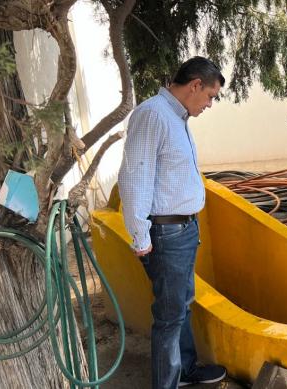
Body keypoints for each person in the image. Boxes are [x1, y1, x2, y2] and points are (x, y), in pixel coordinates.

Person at [118, 56, 227, 388]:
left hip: (182, 230)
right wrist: (140, 237)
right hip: (165, 233)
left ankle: (186, 369)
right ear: (195, 85)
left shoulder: (176, 118)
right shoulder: (153, 115)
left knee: (182, 305)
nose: (210, 104)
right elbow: (135, 179)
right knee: (169, 318)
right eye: (210, 95)